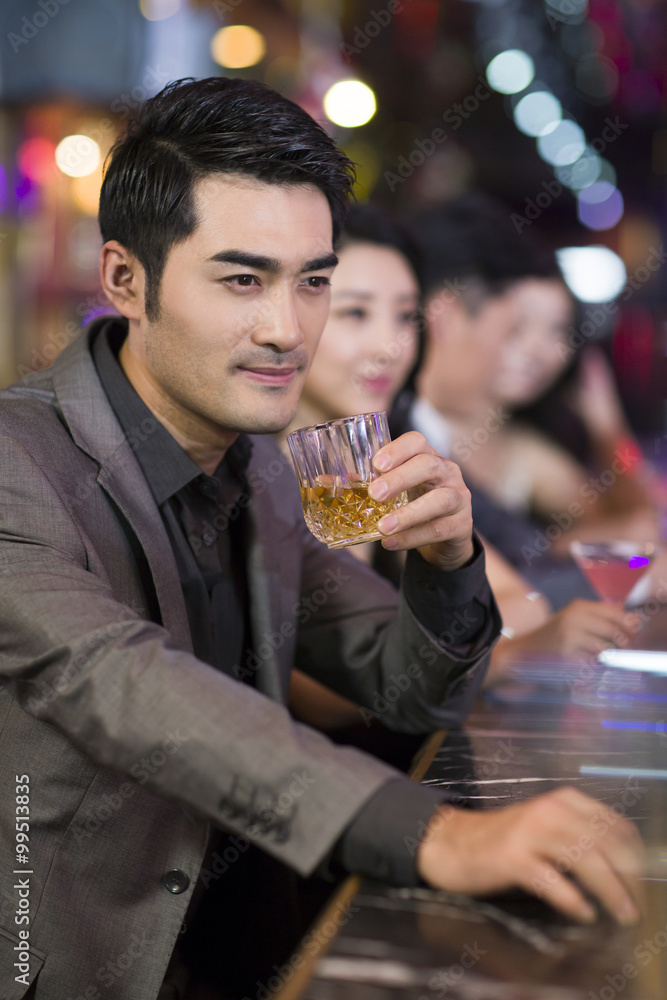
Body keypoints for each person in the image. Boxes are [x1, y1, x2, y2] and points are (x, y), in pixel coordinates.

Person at [0, 80, 643, 1000]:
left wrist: (448, 559)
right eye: (241, 279)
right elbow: (133, 690)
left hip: (255, 956)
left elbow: (406, 687)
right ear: (123, 280)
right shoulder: (17, 463)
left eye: (312, 282)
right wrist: (436, 832)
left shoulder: (259, 466)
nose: (286, 329)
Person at [446, 271, 659, 552]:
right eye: (519, 324)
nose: (537, 349)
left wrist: (608, 425)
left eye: (558, 330)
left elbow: (639, 526)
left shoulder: (524, 450)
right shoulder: (414, 421)